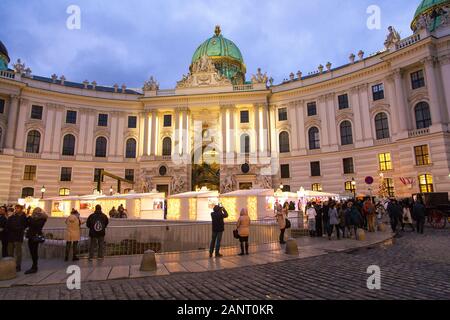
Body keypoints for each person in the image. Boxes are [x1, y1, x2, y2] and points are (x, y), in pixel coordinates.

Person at [24, 207, 48, 274]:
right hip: (30, 236)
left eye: (36, 211)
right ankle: (34, 266)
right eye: (34, 211)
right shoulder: (33, 218)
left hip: (35, 236)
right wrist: (28, 218)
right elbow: (27, 224)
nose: (35, 212)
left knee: (34, 251)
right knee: (32, 252)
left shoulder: (42, 218)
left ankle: (34, 267)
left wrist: (30, 219)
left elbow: (37, 225)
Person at [6, 205, 27, 272]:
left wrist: (15, 228)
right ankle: (10, 265)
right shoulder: (12, 217)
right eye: (15, 208)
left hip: (18, 237)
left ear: (21, 209)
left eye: (17, 208)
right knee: (10, 252)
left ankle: (18, 266)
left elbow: (23, 226)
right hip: (11, 237)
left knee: (18, 252)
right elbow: (8, 224)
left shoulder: (24, 217)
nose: (16, 209)